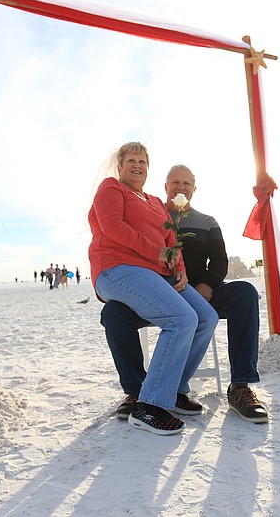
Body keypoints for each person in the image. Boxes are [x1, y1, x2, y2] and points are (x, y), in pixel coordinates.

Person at [102, 164, 269, 425]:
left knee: (245, 293)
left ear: (194, 189)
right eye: (175, 183)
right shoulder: (150, 214)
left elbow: (219, 261)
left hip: (200, 293)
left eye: (186, 184)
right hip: (155, 291)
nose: (181, 187)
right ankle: (136, 391)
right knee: (112, 312)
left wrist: (209, 285)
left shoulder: (207, 222)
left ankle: (240, 386)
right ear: (165, 187)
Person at [89, 143, 218, 435]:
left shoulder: (156, 201)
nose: (137, 166)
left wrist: (180, 268)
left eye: (142, 161)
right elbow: (113, 228)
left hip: (158, 273)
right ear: (120, 166)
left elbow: (172, 240)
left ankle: (171, 391)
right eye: (131, 161)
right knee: (181, 319)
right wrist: (157, 254)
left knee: (205, 317)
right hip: (117, 268)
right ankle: (149, 405)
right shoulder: (111, 189)